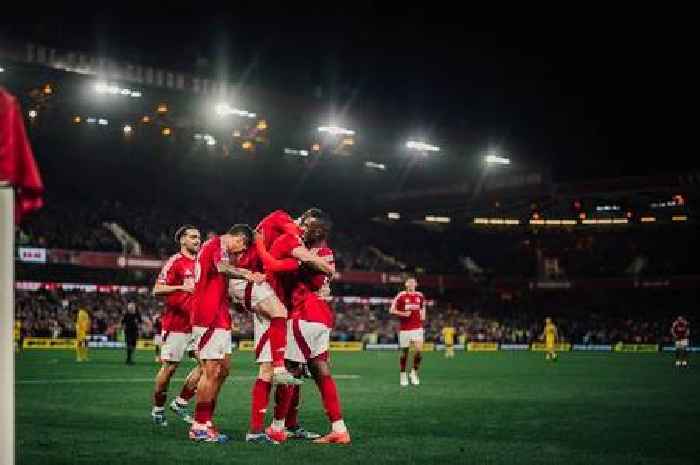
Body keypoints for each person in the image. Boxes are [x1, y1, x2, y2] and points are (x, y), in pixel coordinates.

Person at [240, 209, 334, 444]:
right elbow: (271, 262)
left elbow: (285, 265)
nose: (306, 230)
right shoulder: (287, 232)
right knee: (269, 370)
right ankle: (257, 430)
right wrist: (327, 268)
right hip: (267, 300)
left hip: (284, 308)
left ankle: (289, 425)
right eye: (307, 225)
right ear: (300, 220)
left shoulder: (296, 252)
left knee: (295, 368)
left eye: (315, 229)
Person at [266, 208, 350, 444]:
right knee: (321, 372)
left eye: (309, 225)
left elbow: (307, 269)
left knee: (290, 371)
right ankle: (339, 429)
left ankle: (277, 426)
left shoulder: (315, 253)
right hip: (321, 318)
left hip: (304, 315)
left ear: (321, 230)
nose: (303, 228)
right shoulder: (319, 251)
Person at [188, 225, 264, 443]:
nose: (239, 254)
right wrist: (248, 274)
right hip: (207, 315)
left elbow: (219, 276)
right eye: (241, 248)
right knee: (210, 371)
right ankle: (199, 426)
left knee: (223, 370)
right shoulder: (217, 244)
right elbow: (222, 268)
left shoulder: (218, 248)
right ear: (238, 239)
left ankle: (206, 420)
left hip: (219, 314)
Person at [150, 225, 203, 426]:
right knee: (170, 368)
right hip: (176, 325)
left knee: (207, 366)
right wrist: (182, 286)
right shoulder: (175, 262)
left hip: (197, 325)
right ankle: (158, 409)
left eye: (198, 237)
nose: (197, 240)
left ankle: (180, 403)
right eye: (192, 237)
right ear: (182, 240)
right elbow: (157, 289)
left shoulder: (200, 263)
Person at [390, 277, 426, 386]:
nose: (411, 284)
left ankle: (414, 372)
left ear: (416, 284)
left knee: (419, 350)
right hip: (405, 329)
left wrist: (423, 314)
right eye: (409, 282)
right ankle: (403, 374)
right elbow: (391, 310)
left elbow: (423, 307)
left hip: (417, 328)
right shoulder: (401, 295)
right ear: (406, 284)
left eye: (413, 282)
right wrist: (403, 314)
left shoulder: (420, 295)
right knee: (404, 353)